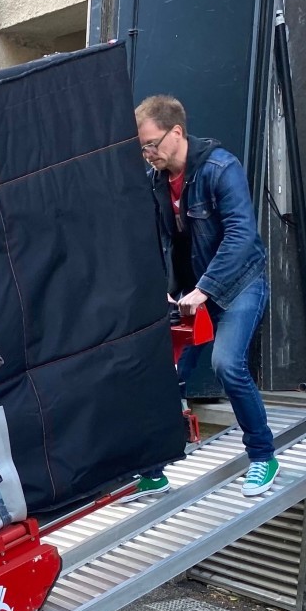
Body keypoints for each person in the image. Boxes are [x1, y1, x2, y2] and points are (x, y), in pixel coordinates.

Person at [124, 94, 278, 500]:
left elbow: (242, 236)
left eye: (151, 144)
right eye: (141, 147)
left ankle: (263, 455)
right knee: (160, 375)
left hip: (238, 282)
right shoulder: (155, 182)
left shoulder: (220, 168)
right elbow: (155, 242)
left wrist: (204, 288)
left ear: (176, 132)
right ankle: (153, 473)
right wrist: (162, 287)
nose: (146, 153)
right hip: (189, 292)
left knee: (227, 364)